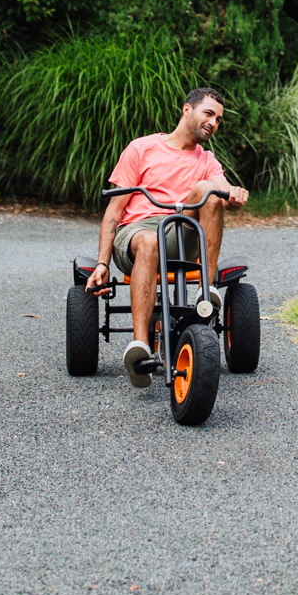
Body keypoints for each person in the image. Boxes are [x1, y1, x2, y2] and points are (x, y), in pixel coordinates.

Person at [88, 87, 249, 387]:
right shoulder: (141, 148)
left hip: (180, 233)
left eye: (219, 120)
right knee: (149, 242)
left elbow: (223, 190)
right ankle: (141, 350)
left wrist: (234, 194)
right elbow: (114, 210)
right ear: (187, 110)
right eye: (209, 114)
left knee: (209, 191)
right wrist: (101, 263)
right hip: (137, 234)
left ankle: (207, 289)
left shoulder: (207, 160)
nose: (214, 123)